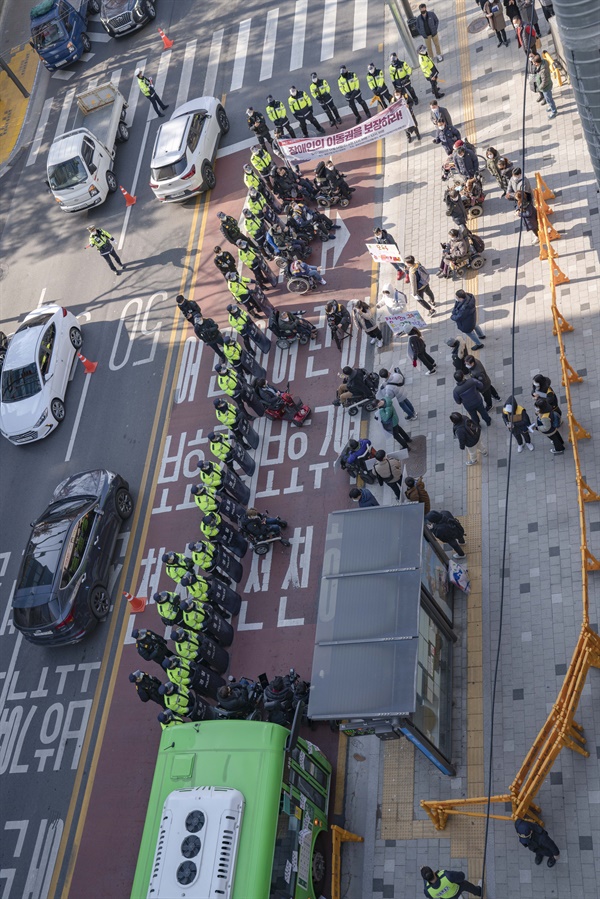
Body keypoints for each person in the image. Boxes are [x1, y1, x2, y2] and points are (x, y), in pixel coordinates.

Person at [531, 53, 558, 118]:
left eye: (534, 63)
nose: (534, 64)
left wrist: (540, 87)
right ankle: (551, 107)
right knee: (547, 98)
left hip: (546, 88)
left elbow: (544, 82)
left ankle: (554, 111)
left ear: (537, 63)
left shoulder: (543, 71)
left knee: (549, 99)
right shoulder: (544, 62)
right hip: (547, 85)